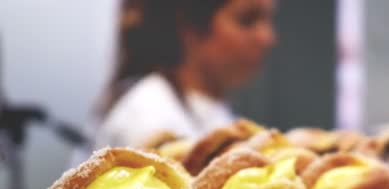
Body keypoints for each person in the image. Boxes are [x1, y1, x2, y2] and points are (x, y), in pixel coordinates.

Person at [94, 0, 275, 148]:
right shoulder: (149, 117)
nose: (267, 37)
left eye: (268, 20)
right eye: (247, 20)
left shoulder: (215, 110)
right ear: (189, 25)